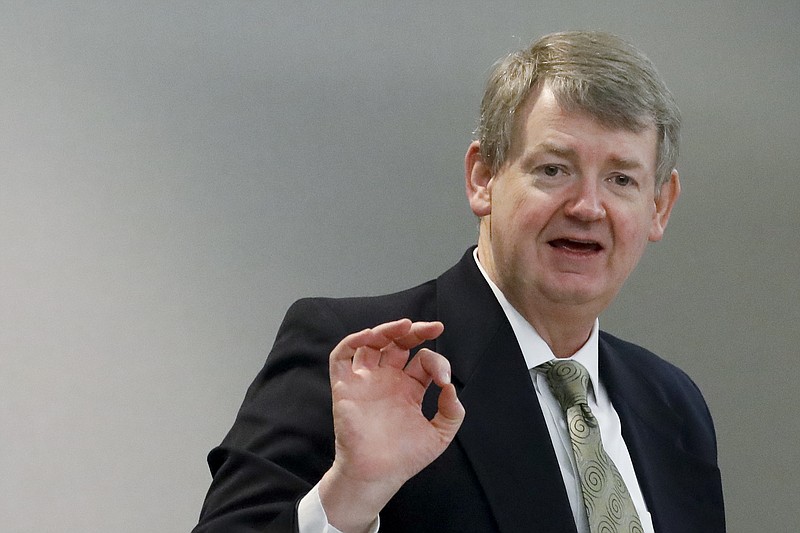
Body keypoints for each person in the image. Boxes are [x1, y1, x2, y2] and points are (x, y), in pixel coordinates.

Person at [193, 31, 725, 533]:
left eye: (621, 180)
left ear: (659, 207)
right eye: (553, 170)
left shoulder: (673, 404)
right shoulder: (365, 360)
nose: (588, 207)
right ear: (482, 178)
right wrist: (351, 493)